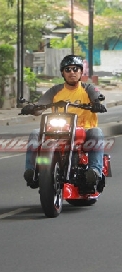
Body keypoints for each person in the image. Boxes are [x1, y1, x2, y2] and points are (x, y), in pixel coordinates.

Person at [20, 55, 107, 189]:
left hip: (83, 129)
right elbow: (40, 106)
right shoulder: (55, 90)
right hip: (57, 129)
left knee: (97, 132)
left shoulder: (88, 88)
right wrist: (32, 108)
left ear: (80, 71)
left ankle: (94, 171)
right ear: (63, 73)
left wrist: (97, 104)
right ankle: (31, 171)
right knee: (35, 133)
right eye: (68, 69)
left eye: (75, 69)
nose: (72, 72)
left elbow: (96, 97)